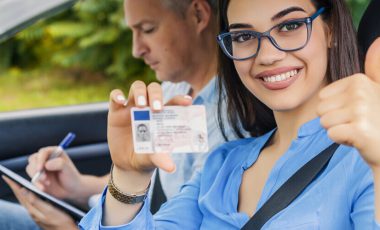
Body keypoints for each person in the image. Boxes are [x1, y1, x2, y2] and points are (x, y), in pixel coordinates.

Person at [78, 0, 380, 229]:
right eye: (244, 36)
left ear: (331, 31)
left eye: (290, 26)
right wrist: (129, 177)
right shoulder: (221, 165)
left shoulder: (367, 160)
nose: (267, 55)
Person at [1, 0, 231, 229]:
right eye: (132, 31)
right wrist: (78, 186)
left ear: (199, 15)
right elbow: (147, 180)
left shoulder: (228, 127)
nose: (136, 49)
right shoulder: (173, 90)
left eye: (148, 29)